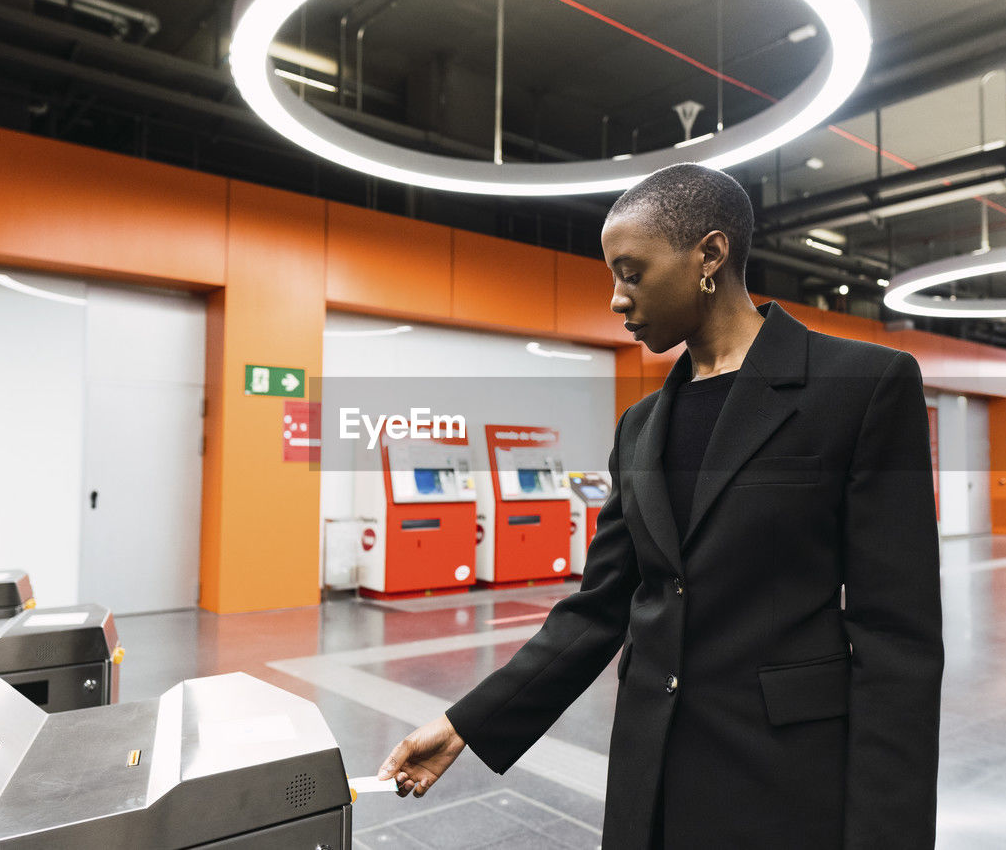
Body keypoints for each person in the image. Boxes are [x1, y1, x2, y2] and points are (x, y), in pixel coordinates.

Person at [377, 163, 944, 849]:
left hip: (784, 780)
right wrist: (466, 721)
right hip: (651, 774)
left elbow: (898, 639)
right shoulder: (640, 426)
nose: (617, 298)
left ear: (709, 254)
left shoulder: (860, 387)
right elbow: (601, 606)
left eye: (632, 272)